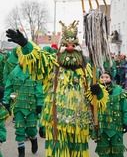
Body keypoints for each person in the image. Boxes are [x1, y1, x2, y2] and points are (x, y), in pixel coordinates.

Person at [5, 24, 108, 157]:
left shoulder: (87, 70)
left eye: (74, 45)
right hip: (56, 125)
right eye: (66, 45)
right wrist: (25, 44)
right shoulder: (52, 65)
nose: (70, 48)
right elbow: (38, 59)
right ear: (60, 48)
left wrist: (98, 93)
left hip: (79, 126)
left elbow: (97, 102)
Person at [3, 63, 43, 157]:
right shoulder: (14, 72)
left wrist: (39, 103)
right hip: (18, 106)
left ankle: (33, 138)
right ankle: (21, 150)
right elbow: (8, 87)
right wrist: (6, 100)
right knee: (19, 129)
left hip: (31, 106)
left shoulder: (35, 72)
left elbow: (39, 89)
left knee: (31, 128)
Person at [90, 71, 127, 157]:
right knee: (103, 152)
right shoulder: (95, 90)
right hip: (102, 127)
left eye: (107, 77)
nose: (104, 79)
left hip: (116, 126)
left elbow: (125, 107)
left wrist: (126, 122)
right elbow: (91, 107)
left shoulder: (119, 90)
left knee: (117, 151)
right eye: (102, 77)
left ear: (111, 78)